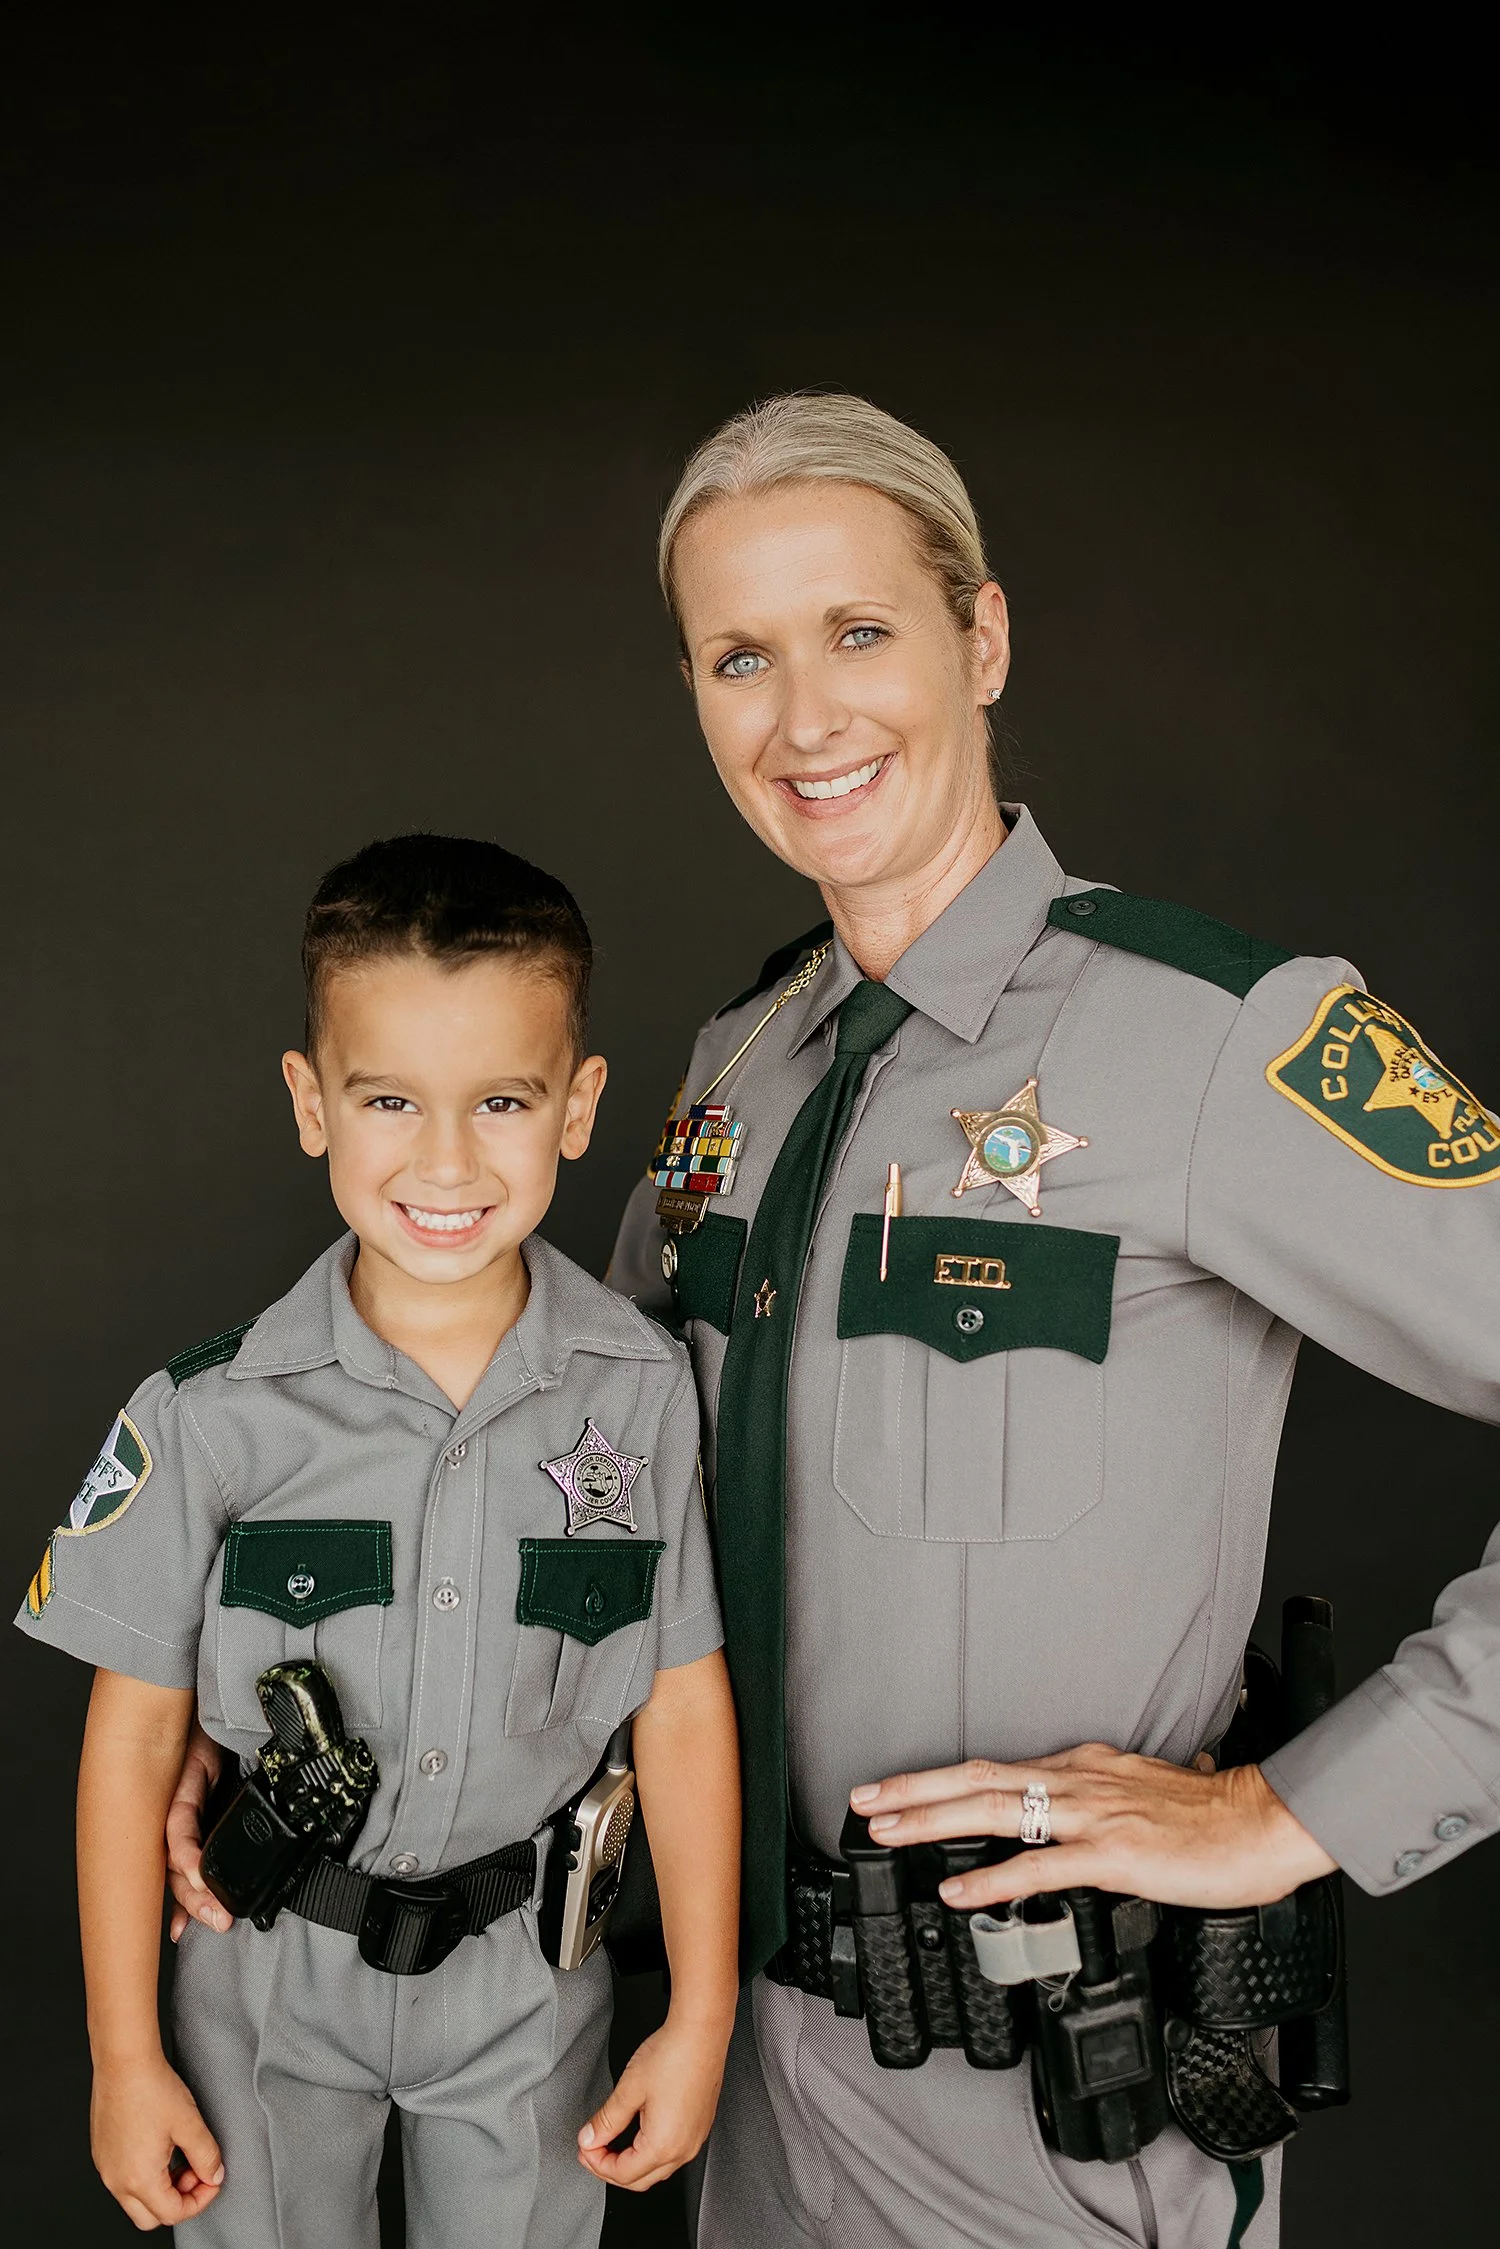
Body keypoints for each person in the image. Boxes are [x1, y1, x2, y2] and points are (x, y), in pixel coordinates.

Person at [166, 395, 1500, 2249]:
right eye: (739, 656)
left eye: (858, 632)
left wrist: (1301, 1809)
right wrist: (273, 1727)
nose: (804, 717)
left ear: (985, 639)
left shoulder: (1219, 1039)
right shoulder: (742, 1073)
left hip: (1059, 2103)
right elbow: (567, 1468)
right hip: (744, 2077)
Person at [15, 833, 740, 2245]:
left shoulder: (643, 1393)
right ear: (311, 1102)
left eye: (504, 1102)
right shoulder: (211, 1416)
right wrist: (123, 2056)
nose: (448, 1162)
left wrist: (700, 2011)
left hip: (528, 1981)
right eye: (391, 1100)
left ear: (580, 1107)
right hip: (271, 1974)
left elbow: (684, 1710)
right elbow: (131, 1748)